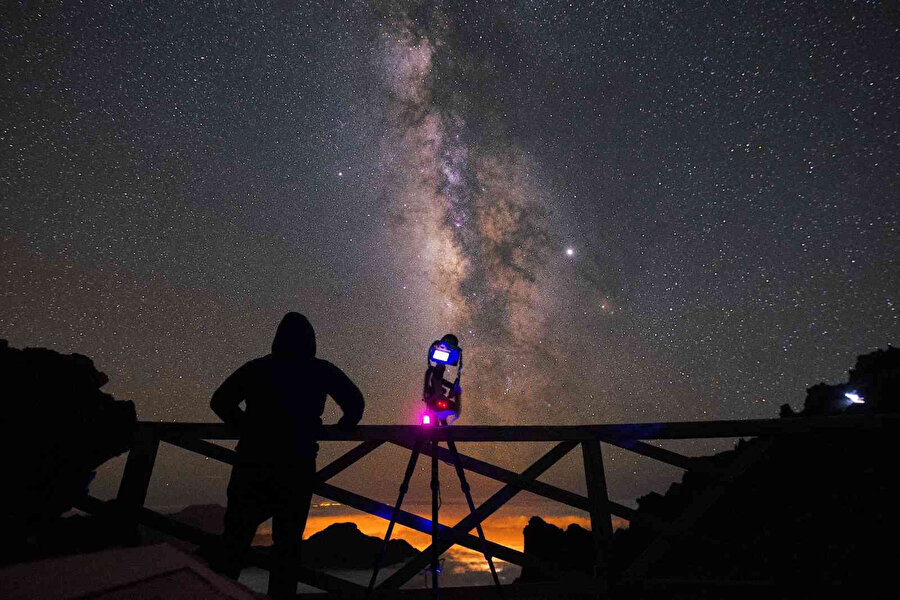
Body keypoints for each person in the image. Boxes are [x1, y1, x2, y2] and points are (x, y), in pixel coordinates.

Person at [209, 312, 364, 598]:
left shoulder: (257, 368)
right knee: (287, 550)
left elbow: (219, 401)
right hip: (297, 466)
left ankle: (217, 592)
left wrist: (247, 427)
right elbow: (355, 404)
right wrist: (340, 428)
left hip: (251, 464)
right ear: (311, 342)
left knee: (234, 542)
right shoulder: (321, 370)